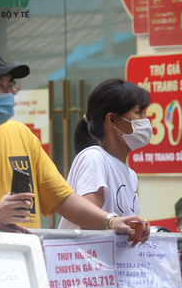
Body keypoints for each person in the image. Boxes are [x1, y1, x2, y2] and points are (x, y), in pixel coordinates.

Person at [0, 46, 149, 239]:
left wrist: (112, 221)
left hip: (25, 264)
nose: (6, 93)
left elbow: (63, 199)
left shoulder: (21, 134)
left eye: (9, 85)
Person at [58, 78, 151, 231]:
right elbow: (88, 225)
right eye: (139, 112)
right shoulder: (94, 158)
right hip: (86, 255)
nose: (145, 121)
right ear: (112, 120)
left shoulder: (131, 174)